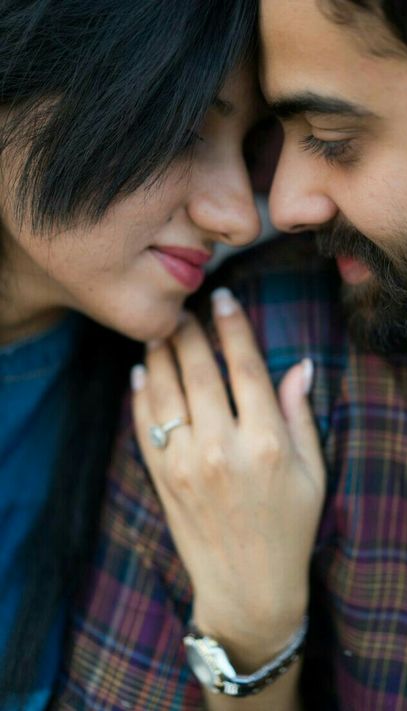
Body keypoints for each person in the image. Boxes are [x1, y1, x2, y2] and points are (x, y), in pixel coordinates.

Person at [57, 1, 407, 710]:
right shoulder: (262, 360)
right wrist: (253, 652)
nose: (276, 207)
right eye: (281, 142)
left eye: (336, 138)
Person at [0, 1, 264, 708]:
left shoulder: (164, 413)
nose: (238, 217)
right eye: (184, 127)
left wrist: (256, 632)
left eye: (251, 152)